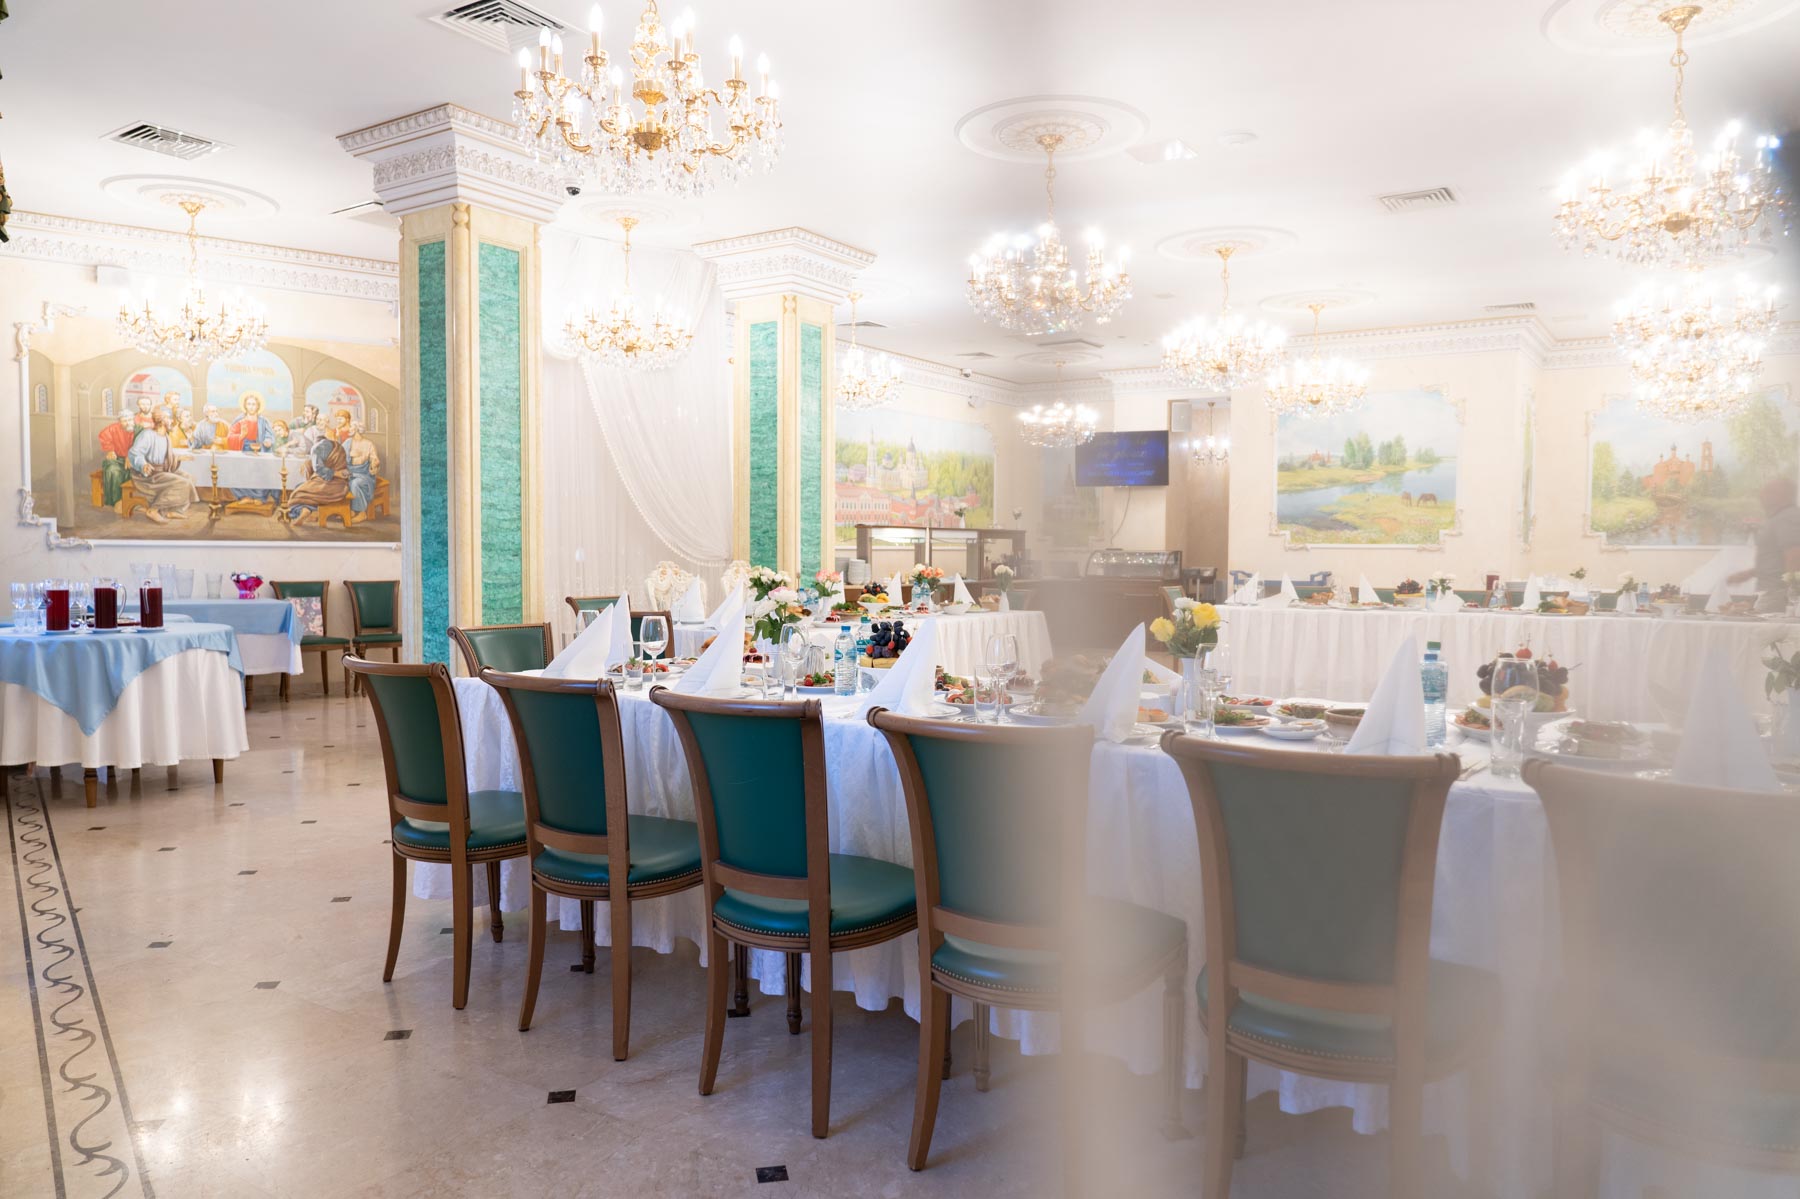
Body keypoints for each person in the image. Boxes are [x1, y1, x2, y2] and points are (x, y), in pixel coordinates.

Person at [1728, 477, 1800, 612]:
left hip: (1779, 595)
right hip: (1774, 592)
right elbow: (1778, 561)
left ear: (1782, 495)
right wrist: (1749, 574)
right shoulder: (1780, 517)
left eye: (1768, 491)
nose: (1762, 495)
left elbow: (1794, 555)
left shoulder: (1787, 517)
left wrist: (1792, 594)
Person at [126, 411, 198, 524]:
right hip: (148, 475)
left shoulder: (166, 437)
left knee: (190, 478)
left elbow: (166, 458)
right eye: (169, 419)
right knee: (183, 483)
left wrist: (178, 458)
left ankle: (173, 510)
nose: (172, 421)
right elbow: (134, 453)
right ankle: (153, 510)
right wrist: (143, 465)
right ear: (161, 421)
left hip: (162, 470)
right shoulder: (147, 435)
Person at [285, 433, 349, 526]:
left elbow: (319, 469)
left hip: (324, 486)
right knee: (304, 489)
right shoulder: (337, 446)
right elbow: (344, 469)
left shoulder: (316, 448)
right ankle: (308, 513)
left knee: (297, 494)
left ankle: (305, 511)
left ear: (315, 442)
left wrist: (334, 473)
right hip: (340, 487)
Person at [97, 412, 136, 511]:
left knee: (132, 472)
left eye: (130, 420)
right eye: (125, 421)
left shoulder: (138, 430)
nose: (128, 423)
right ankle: (115, 501)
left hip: (133, 458)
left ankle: (128, 501)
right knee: (113, 470)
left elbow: (140, 445)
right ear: (120, 422)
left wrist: (130, 455)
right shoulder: (113, 428)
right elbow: (103, 435)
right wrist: (110, 450)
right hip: (116, 459)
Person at [344, 422, 380, 522]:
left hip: (364, 474)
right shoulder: (347, 443)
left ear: (357, 429)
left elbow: (374, 459)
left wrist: (374, 463)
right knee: (340, 482)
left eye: (351, 427)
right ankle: (351, 510)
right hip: (349, 472)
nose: (349, 429)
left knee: (355, 483)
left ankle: (361, 513)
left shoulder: (368, 444)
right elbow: (340, 455)